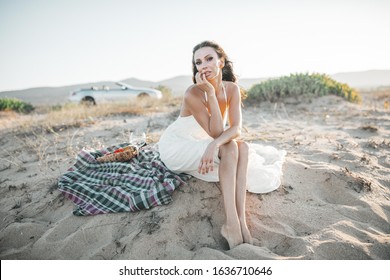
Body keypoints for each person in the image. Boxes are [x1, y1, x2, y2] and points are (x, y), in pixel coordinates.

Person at [158, 41, 285, 249]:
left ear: (221, 61)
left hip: (203, 142)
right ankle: (232, 224)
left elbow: (236, 129)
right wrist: (208, 92)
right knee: (230, 147)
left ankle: (240, 221)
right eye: (198, 62)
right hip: (177, 146)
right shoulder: (193, 93)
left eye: (209, 59)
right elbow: (217, 131)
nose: (203, 65)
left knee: (242, 147)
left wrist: (213, 145)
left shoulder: (232, 89)